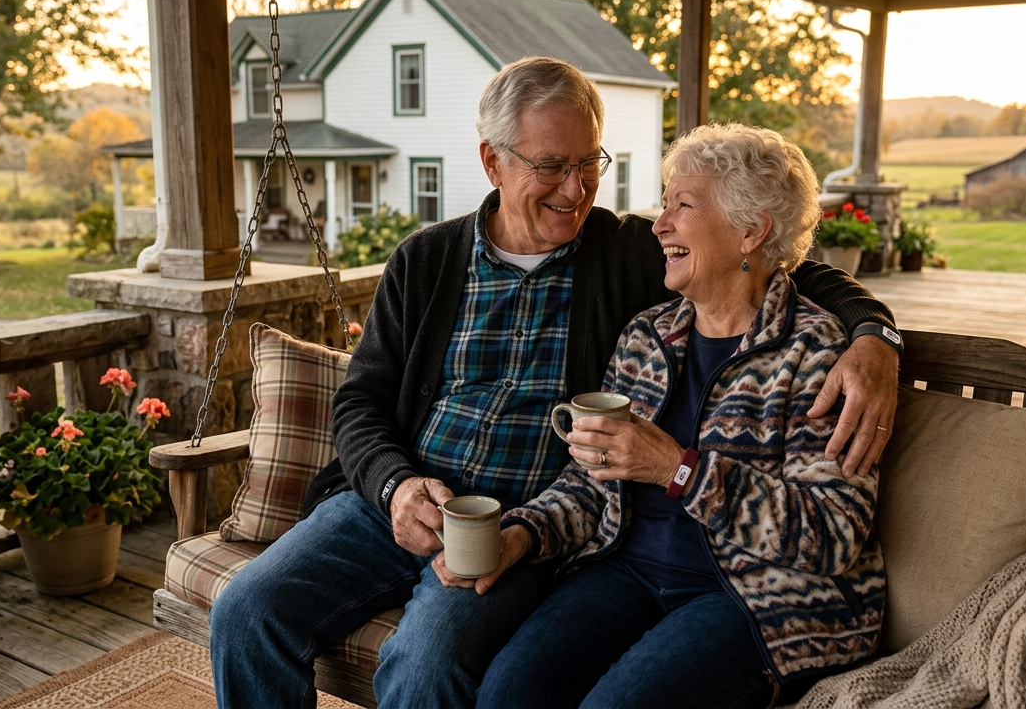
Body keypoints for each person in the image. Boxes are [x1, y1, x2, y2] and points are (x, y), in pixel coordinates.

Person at [209, 58, 899, 709]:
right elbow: (361, 401)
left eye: (587, 164)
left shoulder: (629, 255)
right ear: (493, 162)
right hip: (409, 496)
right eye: (550, 166)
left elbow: (782, 268)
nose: (576, 189)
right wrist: (394, 484)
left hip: (523, 516)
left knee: (427, 661)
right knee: (246, 610)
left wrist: (874, 338)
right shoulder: (430, 262)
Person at [475, 123, 885, 709]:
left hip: (755, 601)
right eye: (665, 204)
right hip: (628, 573)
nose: (659, 225)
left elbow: (831, 535)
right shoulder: (649, 335)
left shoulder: (817, 356)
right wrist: (522, 533)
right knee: (506, 693)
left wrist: (678, 468)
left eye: (682, 206)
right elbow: (593, 482)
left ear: (751, 231)